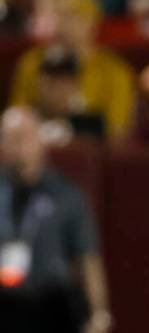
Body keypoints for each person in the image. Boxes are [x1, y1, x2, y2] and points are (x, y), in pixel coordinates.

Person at [0, 106, 112, 333]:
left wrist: (99, 312)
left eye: (25, 137)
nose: (18, 147)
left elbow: (88, 259)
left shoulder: (67, 196)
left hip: (50, 307)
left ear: (41, 141)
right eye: (10, 139)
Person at [9, 0, 136, 141]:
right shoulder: (32, 62)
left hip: (92, 152)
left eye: (74, 16)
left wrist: (73, 122)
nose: (64, 23)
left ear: (93, 24)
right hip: (38, 147)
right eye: (59, 15)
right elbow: (17, 116)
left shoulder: (114, 70)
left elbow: (117, 128)